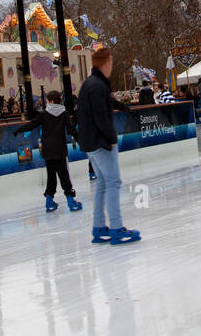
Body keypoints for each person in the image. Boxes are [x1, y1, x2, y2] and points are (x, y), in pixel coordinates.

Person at [78, 47, 139, 245]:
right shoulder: (98, 86)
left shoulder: (89, 84)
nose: (112, 66)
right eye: (111, 63)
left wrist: (122, 107)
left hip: (90, 143)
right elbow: (99, 115)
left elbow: (103, 105)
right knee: (113, 182)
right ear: (105, 64)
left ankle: (98, 227)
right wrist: (110, 136)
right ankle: (116, 227)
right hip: (100, 143)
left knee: (103, 183)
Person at [20, 90, 81, 213]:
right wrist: (81, 139)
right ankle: (70, 201)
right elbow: (71, 130)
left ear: (51, 101)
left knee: (51, 176)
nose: (46, 102)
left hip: (48, 151)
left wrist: (20, 130)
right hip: (60, 150)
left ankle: (49, 202)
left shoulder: (44, 114)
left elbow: (32, 124)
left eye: (47, 100)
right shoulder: (64, 113)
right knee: (64, 175)